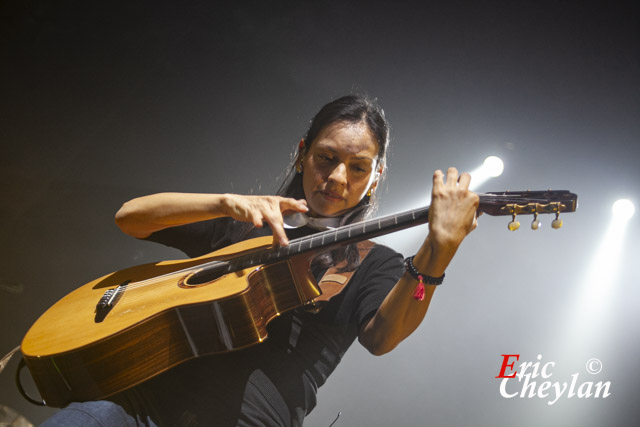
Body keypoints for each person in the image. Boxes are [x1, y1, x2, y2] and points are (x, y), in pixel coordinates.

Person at [41, 95, 479, 426]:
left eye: (359, 167)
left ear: (377, 174)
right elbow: (130, 218)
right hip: (134, 405)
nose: (338, 178)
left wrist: (437, 252)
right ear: (303, 151)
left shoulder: (376, 263)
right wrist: (225, 202)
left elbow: (383, 338)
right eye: (326, 158)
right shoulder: (246, 224)